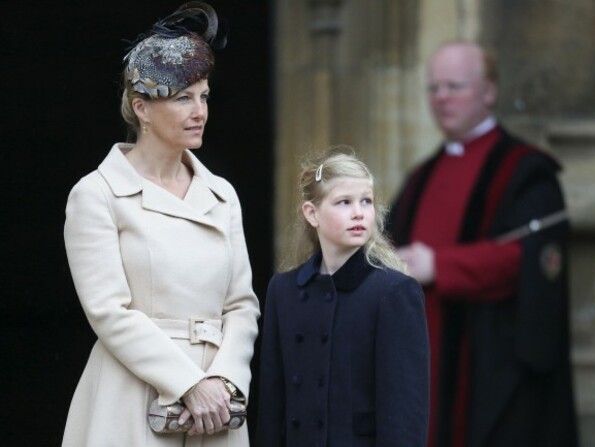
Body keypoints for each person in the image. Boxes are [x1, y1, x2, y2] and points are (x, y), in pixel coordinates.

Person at [62, 3, 260, 446]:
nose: (199, 111)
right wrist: (188, 384)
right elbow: (108, 312)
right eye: (182, 97)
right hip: (133, 399)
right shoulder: (97, 194)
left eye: (204, 96)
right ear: (142, 109)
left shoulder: (222, 194)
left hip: (217, 407)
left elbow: (241, 306)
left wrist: (224, 383)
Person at [387, 41, 578, 447]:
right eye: (434, 88)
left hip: (494, 367)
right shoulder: (421, 176)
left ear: (489, 91)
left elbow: (533, 259)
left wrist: (440, 266)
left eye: (455, 86)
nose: (442, 98)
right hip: (428, 362)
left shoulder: (526, 170)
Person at [256, 148, 430, 446]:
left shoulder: (393, 292)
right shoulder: (283, 291)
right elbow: (272, 405)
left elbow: (404, 413)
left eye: (366, 201)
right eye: (344, 202)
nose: (359, 213)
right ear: (312, 213)